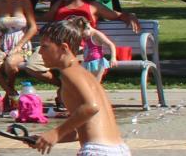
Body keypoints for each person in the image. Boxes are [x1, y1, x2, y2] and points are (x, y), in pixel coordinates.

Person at [28, 17, 129, 155]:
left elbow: (91, 107)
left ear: (64, 48)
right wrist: (45, 138)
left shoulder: (70, 72)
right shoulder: (85, 74)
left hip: (98, 151)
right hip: (118, 149)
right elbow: (81, 130)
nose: (40, 52)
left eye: (45, 47)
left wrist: (56, 133)